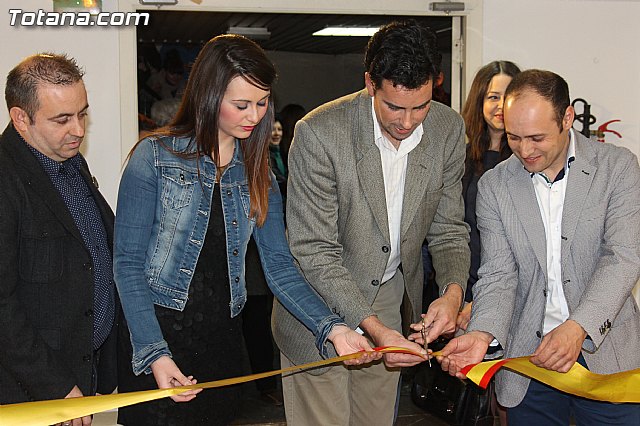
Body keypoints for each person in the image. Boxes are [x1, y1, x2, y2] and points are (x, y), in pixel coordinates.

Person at [114, 34, 379, 426]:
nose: (254, 116)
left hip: (221, 341)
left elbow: (281, 269)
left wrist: (335, 329)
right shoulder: (154, 158)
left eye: (261, 103)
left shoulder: (259, 174)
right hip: (157, 333)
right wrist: (155, 353)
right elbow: (127, 264)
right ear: (208, 95)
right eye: (241, 105)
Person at [272, 20, 470, 425]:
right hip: (318, 303)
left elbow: (449, 230)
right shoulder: (319, 134)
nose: (408, 121)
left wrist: (451, 294)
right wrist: (373, 328)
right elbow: (314, 251)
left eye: (421, 106)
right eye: (394, 106)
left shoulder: (448, 129)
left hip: (388, 295)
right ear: (369, 83)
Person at [437, 69, 640, 425]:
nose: (525, 150)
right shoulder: (495, 185)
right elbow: (499, 274)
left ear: (567, 118)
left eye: (536, 138)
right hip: (529, 365)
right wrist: (482, 333)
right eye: (514, 137)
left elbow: (623, 258)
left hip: (607, 358)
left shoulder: (617, 168)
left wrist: (578, 327)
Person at [0, 53, 119, 425]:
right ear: (21, 118)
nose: (79, 130)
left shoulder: (69, 160)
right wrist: (54, 386)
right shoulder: (5, 179)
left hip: (83, 377)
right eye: (62, 119)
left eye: (82, 113)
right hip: (34, 395)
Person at [457, 60, 521, 330]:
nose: (500, 105)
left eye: (508, 97)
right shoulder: (459, 156)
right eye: (493, 97)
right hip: (461, 287)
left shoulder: (527, 160)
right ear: (479, 100)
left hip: (512, 289)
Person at [269, 114, 287, 200]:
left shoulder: (283, 152)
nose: (277, 133)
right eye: (272, 130)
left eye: (279, 129)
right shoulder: (264, 156)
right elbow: (279, 180)